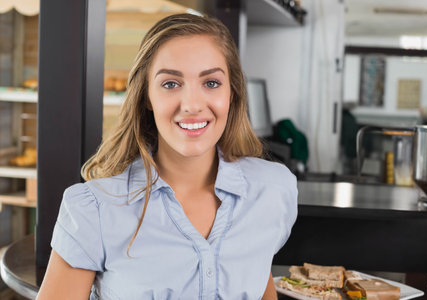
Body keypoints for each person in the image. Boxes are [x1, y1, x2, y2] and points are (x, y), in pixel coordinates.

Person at [37, 13, 298, 300]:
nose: (192, 105)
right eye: (171, 84)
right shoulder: (94, 209)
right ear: (147, 97)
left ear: (232, 93)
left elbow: (259, 281)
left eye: (211, 83)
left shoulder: (272, 189)